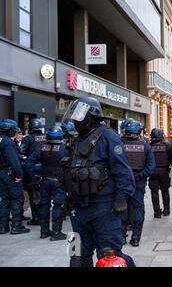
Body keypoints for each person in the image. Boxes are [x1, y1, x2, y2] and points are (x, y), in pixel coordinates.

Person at [62, 97, 136, 267]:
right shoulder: (76, 140)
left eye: (79, 116)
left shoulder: (108, 137)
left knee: (110, 256)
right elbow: (68, 172)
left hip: (103, 209)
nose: (75, 120)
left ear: (92, 116)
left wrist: (121, 197)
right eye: (75, 116)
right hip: (78, 210)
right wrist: (67, 198)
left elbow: (123, 171)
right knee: (77, 257)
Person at [25, 127, 69, 241]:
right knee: (58, 205)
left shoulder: (41, 147)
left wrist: (34, 176)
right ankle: (56, 232)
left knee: (44, 205)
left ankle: (44, 232)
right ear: (60, 137)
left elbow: (29, 162)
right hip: (59, 181)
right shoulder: (64, 149)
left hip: (44, 180)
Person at [121, 119, 155, 247]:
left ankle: (122, 237)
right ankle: (135, 237)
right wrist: (140, 175)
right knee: (138, 209)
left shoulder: (119, 144)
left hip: (123, 182)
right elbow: (151, 166)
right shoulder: (145, 145)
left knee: (122, 208)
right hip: (138, 182)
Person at [0, 119, 30, 235]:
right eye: (13, 130)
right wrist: (19, 175)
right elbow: (14, 161)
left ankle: (3, 226)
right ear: (8, 130)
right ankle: (16, 226)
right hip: (10, 174)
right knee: (16, 199)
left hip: (1, 173)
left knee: (4, 200)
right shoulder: (8, 142)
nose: (15, 132)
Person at [21, 118, 46, 226]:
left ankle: (36, 218)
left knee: (33, 194)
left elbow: (21, 152)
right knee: (44, 194)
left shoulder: (28, 138)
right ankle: (43, 215)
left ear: (30, 128)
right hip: (45, 169)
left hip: (32, 168)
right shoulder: (46, 137)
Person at [149, 128, 172, 218]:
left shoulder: (148, 146)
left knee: (154, 192)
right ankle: (166, 210)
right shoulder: (167, 146)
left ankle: (157, 212)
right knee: (165, 191)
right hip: (164, 171)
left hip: (152, 171)